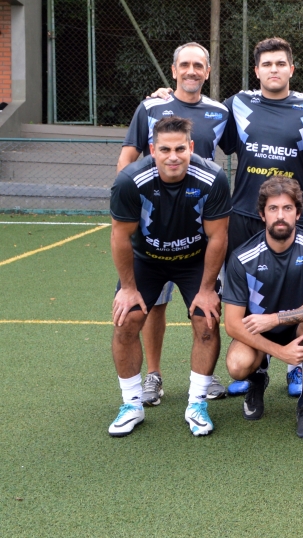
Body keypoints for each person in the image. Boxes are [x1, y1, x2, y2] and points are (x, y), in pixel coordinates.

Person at [149, 37, 303, 400]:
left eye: (280, 64)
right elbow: (197, 120)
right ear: (256, 71)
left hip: (292, 219)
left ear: (291, 69)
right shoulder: (237, 105)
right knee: (249, 296)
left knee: (301, 292)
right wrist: (167, 98)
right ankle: (257, 368)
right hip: (245, 217)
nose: (274, 70)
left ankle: (296, 368)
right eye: (267, 64)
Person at [119, 42, 230, 406]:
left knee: (205, 309)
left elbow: (246, 148)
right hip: (155, 224)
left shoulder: (220, 111)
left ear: (208, 71)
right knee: (153, 305)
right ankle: (153, 374)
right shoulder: (151, 107)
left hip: (197, 223)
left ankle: (204, 377)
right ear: (173, 70)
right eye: (185, 65)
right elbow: (127, 159)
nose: (191, 71)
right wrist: (129, 204)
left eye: (198, 65)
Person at [108, 117, 231, 437]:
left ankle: (197, 403)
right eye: (165, 149)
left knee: (207, 320)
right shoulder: (130, 180)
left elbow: (218, 237)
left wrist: (207, 289)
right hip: (146, 261)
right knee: (126, 319)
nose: (173, 156)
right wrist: (128, 288)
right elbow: (120, 237)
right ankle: (131, 404)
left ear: (191, 147)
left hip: (195, 260)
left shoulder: (213, 178)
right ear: (152, 150)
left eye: (180, 149)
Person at [221, 177, 303, 438]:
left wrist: (276, 318)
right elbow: (232, 324)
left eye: (287, 208)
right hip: (259, 330)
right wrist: (279, 352)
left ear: (298, 213)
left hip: (296, 327)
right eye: (273, 209)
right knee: (237, 365)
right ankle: (258, 379)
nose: (280, 215)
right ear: (262, 215)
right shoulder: (242, 257)